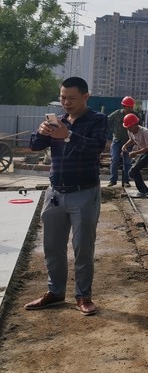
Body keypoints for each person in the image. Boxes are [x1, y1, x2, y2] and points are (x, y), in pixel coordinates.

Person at [26, 76, 109, 316]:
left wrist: (69, 135)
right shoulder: (57, 121)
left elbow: (96, 148)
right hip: (55, 193)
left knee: (83, 248)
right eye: (63, 98)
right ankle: (55, 292)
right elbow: (34, 146)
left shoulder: (98, 120)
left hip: (84, 192)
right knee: (52, 246)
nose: (66, 102)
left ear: (85, 97)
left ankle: (83, 295)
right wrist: (41, 132)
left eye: (71, 98)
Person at [122, 114, 148, 199]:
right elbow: (132, 140)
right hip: (145, 152)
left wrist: (135, 153)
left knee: (135, 170)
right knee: (132, 172)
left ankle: (142, 192)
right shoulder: (130, 131)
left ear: (135, 124)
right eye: (127, 127)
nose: (128, 129)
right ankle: (145, 190)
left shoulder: (145, 132)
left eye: (130, 127)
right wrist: (125, 145)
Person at [106, 96, 135, 188]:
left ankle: (126, 180)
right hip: (117, 139)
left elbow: (138, 128)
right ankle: (113, 180)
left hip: (129, 141)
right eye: (128, 107)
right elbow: (107, 120)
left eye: (131, 107)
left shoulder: (135, 116)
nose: (130, 109)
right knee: (114, 159)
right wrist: (111, 131)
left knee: (127, 161)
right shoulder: (117, 114)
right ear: (124, 106)